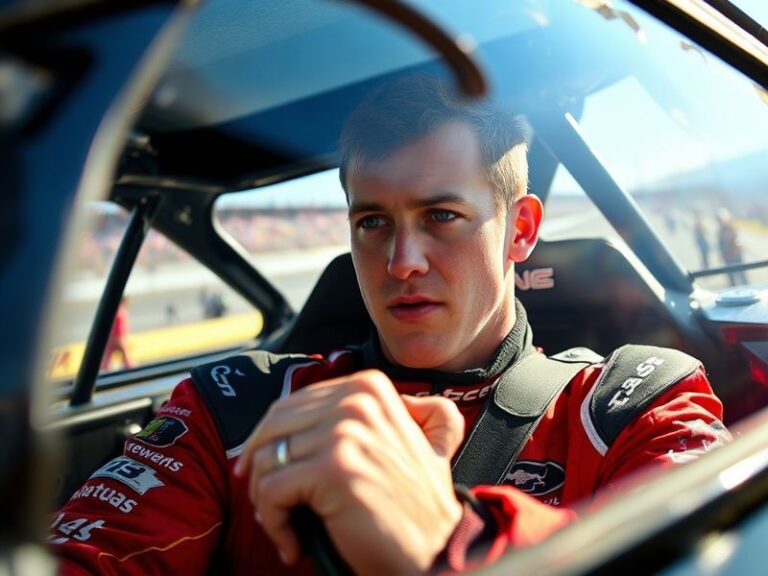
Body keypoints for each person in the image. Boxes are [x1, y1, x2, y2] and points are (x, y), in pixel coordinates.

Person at [51, 76, 730, 575]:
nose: (401, 263)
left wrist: (451, 538)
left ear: (520, 229)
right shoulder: (233, 406)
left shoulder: (634, 401)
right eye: (372, 223)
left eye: (442, 216)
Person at [716, 208, 747, 286]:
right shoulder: (720, 231)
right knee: (731, 278)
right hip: (727, 257)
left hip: (736, 255)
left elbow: (738, 240)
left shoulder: (732, 228)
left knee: (742, 275)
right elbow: (721, 245)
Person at [100, 296, 132, 371]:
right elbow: (119, 327)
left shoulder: (116, 310)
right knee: (126, 358)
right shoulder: (121, 311)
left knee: (107, 360)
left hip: (113, 338)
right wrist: (119, 339)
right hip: (117, 338)